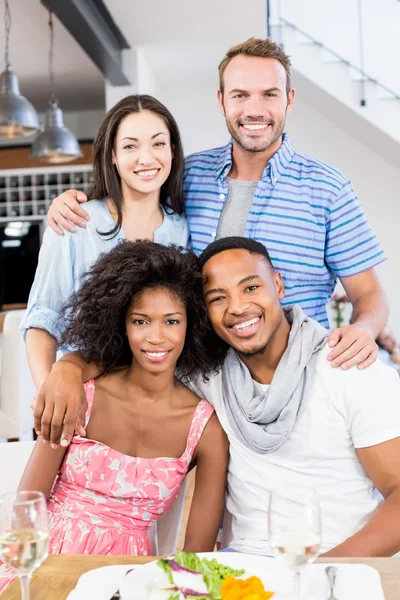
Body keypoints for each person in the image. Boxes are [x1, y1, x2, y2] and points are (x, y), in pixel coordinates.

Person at [36, 237, 400, 557]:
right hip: (240, 565)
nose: (237, 307)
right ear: (204, 314)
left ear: (278, 284)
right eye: (217, 297)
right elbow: (131, 354)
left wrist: (322, 572)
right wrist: (68, 367)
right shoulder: (211, 374)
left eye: (251, 288)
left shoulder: (348, 367)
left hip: (334, 566)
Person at [45, 37, 388, 372]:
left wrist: (363, 330)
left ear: (289, 99)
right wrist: (76, 203)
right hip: (205, 382)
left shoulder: (328, 188)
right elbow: (135, 198)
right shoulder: (190, 174)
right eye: (241, 95)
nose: (254, 110)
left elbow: (370, 295)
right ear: (222, 101)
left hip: (301, 378)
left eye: (269, 94)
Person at [0, 241, 228, 593]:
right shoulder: (81, 395)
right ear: (121, 323)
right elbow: (27, 508)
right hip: (46, 561)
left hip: (129, 579)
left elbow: (195, 560)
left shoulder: (206, 429)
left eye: (171, 321)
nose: (156, 337)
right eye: (141, 321)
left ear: (191, 325)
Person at [20, 94, 190, 393]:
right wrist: (48, 395)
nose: (146, 158)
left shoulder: (183, 230)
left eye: (158, 143)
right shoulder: (74, 223)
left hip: (163, 398)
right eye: (130, 146)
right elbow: (42, 321)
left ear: (173, 150)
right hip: (90, 397)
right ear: (112, 155)